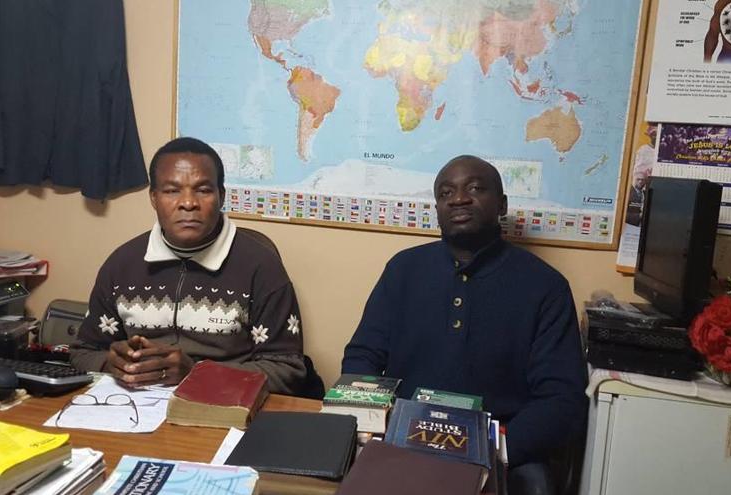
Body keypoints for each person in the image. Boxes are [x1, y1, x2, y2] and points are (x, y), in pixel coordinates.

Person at [342, 155, 587, 495]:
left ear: (502, 204)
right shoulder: (403, 270)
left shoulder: (545, 287)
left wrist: (491, 452)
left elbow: (562, 401)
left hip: (500, 455)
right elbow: (362, 357)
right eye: (446, 192)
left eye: (475, 188)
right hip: (402, 447)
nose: (458, 198)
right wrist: (375, 429)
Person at [70, 137, 307, 395]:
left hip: (221, 409)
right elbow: (82, 353)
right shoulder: (121, 265)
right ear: (153, 198)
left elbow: (288, 371)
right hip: (133, 410)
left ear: (221, 196)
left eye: (203, 190)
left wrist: (197, 373)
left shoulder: (261, 268)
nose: (188, 203)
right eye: (172, 190)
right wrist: (110, 363)